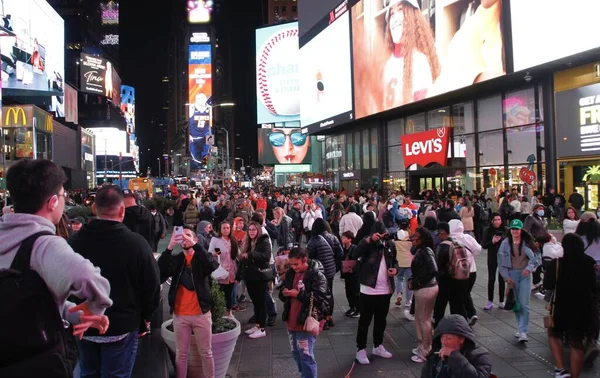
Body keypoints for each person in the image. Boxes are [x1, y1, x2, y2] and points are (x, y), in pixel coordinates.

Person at [0, 159, 111, 377]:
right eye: (62, 196)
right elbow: (90, 278)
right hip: (36, 361)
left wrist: (74, 315)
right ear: (52, 202)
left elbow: (22, 297)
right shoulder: (44, 244)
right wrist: (95, 308)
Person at [69, 185, 161, 378]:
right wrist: (145, 317)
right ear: (122, 210)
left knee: (87, 372)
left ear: (94, 208)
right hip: (123, 326)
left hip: (84, 324)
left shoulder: (74, 242)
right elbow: (152, 286)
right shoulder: (137, 244)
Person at [157, 227, 219, 378]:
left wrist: (195, 246)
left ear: (195, 239)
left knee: (206, 352)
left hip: (201, 314)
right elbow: (159, 274)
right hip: (180, 315)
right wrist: (170, 247)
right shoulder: (177, 260)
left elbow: (212, 265)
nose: (184, 238)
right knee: (181, 354)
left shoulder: (201, 259)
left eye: (188, 235)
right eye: (181, 236)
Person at [544, 233, 599, 378]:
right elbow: (594, 286)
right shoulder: (589, 262)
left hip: (561, 307)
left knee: (553, 334)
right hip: (583, 308)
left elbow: (548, 285)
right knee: (577, 341)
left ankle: (561, 369)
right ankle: (575, 375)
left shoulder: (557, 263)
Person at [352, 221, 398, 365]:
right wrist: (369, 240)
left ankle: (378, 345)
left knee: (381, 320)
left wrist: (395, 269)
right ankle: (361, 349)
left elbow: (395, 261)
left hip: (385, 288)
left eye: (384, 234)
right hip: (368, 288)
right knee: (364, 321)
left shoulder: (390, 245)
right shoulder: (367, 243)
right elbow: (355, 253)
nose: (382, 237)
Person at [279, 247, 329, 378]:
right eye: (291, 264)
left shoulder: (317, 275)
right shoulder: (290, 273)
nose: (294, 267)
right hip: (291, 320)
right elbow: (283, 292)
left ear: (305, 260)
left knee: (306, 355)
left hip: (305, 322)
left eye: (296, 264)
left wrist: (298, 294)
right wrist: (284, 293)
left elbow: (319, 297)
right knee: (296, 354)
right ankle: (304, 375)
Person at [381, 0, 440, 110]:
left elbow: (423, 114)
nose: (395, 19)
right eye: (392, 14)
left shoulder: (419, 62)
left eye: (401, 10)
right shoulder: (386, 65)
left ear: (412, 17)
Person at [497, 219, 540, 343]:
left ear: (521, 230)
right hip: (512, 275)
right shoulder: (505, 244)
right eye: (513, 229)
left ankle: (523, 331)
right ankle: (520, 327)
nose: (515, 231)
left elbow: (536, 258)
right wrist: (506, 277)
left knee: (524, 303)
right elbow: (501, 263)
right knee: (516, 303)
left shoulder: (527, 242)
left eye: (517, 229)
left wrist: (529, 268)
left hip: (525, 274)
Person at [421, 314, 492, 378]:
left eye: (449, 338)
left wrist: (454, 356)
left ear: (462, 339)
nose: (444, 342)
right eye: (442, 337)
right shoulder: (436, 354)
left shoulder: (480, 355)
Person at [306, 218, 343, 330]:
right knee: (329, 293)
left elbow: (309, 257)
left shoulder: (313, 240)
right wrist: (335, 266)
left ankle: (323, 319)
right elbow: (340, 252)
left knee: (320, 295)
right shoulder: (333, 237)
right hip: (330, 271)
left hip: (319, 273)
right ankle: (329, 317)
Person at [410, 227, 439, 363]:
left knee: (424, 319)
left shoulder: (426, 251)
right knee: (420, 318)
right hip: (424, 288)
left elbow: (433, 269)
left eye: (416, 237)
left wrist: (419, 282)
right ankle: (422, 346)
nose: (413, 239)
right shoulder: (422, 250)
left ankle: (426, 350)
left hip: (426, 289)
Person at [239, 221, 272, 339]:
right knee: (255, 302)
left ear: (258, 230)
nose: (252, 232)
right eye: (250, 230)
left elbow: (266, 256)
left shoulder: (264, 241)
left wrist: (251, 255)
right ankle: (257, 325)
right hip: (250, 277)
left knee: (261, 302)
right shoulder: (248, 242)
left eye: (254, 229)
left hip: (260, 276)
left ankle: (262, 328)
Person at [208, 221, 239, 317]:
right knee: (221, 292)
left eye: (227, 228)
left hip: (232, 270)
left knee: (230, 293)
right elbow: (210, 252)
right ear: (220, 229)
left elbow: (237, 254)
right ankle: (220, 312)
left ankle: (229, 312)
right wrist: (216, 253)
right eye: (224, 228)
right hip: (221, 269)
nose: (226, 230)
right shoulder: (215, 240)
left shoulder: (233, 240)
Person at [481, 213, 508, 310]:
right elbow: (484, 245)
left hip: (503, 257)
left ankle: (501, 301)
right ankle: (490, 301)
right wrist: (492, 242)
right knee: (491, 279)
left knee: (502, 279)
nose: (497, 221)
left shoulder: (506, 230)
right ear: (492, 221)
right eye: (495, 219)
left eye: (499, 219)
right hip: (492, 256)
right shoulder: (487, 230)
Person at [341, 231, 360, 318]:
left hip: (354, 273)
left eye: (344, 238)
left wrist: (354, 269)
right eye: (342, 237)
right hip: (346, 273)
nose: (342, 239)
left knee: (355, 291)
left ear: (350, 239)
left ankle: (358, 309)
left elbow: (358, 259)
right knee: (348, 290)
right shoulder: (343, 249)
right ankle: (352, 307)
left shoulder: (354, 248)